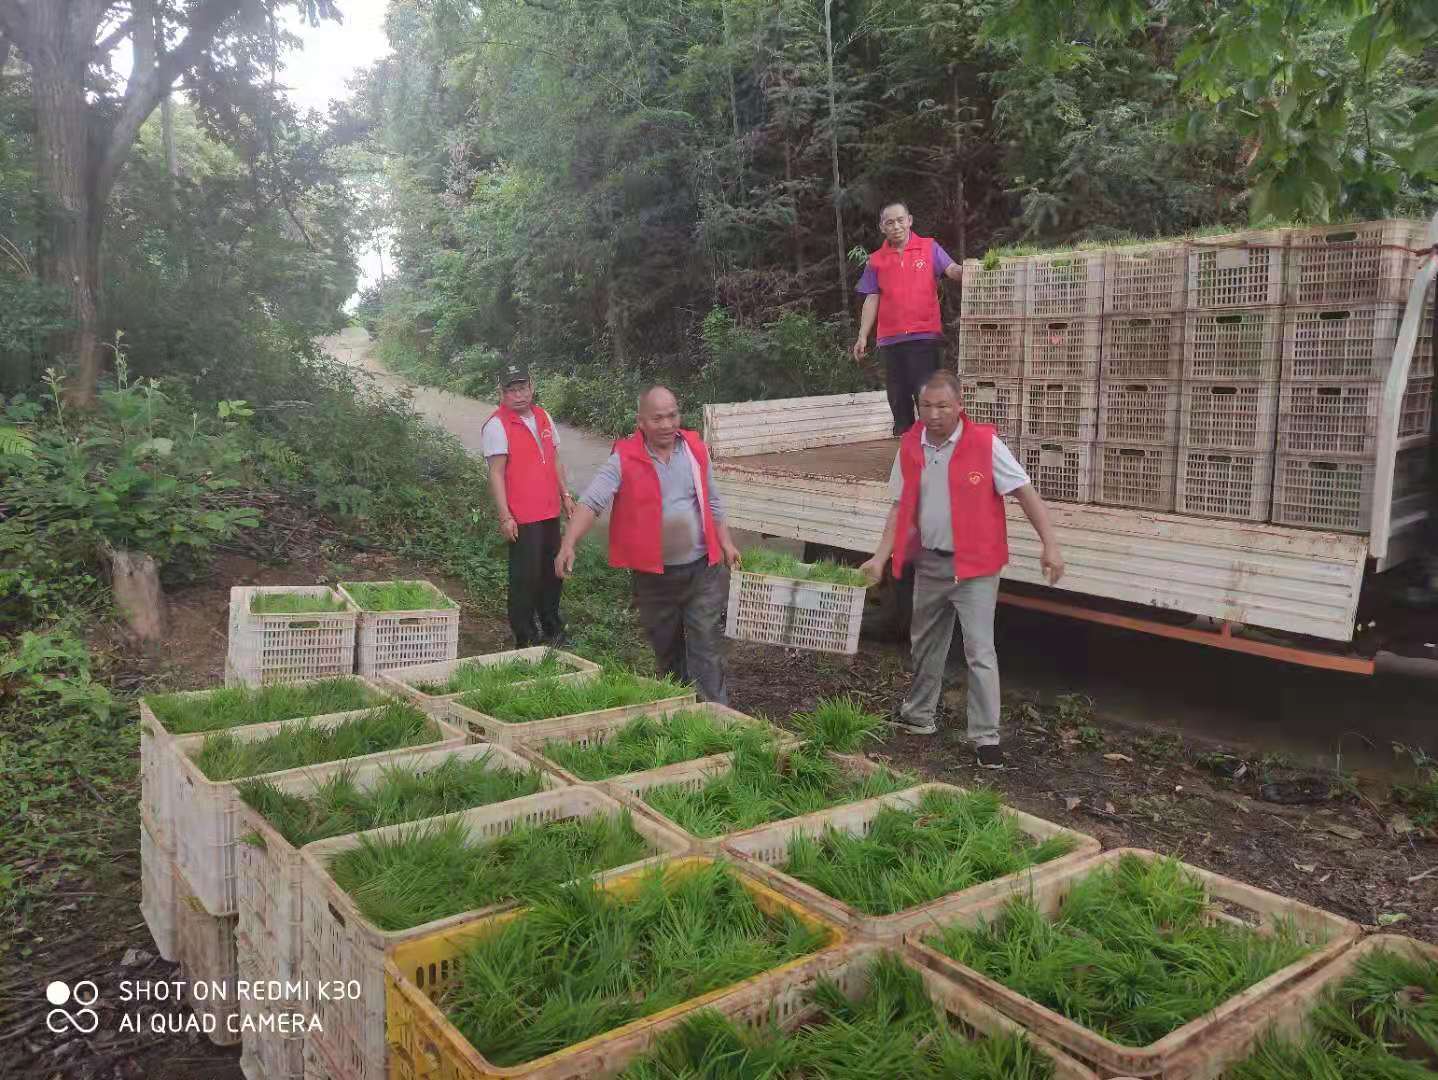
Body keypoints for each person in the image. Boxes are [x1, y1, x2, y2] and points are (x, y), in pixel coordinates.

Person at [859, 371, 1065, 769]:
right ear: (918, 408)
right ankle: (919, 716)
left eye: (943, 406)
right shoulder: (910, 446)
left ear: (959, 408)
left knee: (979, 652)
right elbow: (900, 507)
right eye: (926, 406)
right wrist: (880, 556)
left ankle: (986, 738)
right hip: (931, 562)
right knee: (924, 642)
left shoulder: (985, 445)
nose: (934, 414)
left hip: (976, 566)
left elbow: (1024, 492)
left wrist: (1050, 545)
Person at [556, 386, 742, 703]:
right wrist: (568, 543)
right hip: (655, 580)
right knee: (667, 652)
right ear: (641, 421)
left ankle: (718, 717)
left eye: (673, 415)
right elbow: (592, 502)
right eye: (658, 418)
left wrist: (726, 542)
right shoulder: (624, 458)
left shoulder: (695, 449)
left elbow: (712, 500)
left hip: (702, 571)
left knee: (706, 649)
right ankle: (681, 710)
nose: (668, 424)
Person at [851, 201, 964, 435]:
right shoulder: (876, 260)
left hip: (924, 337)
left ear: (910, 220)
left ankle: (934, 447)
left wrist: (973, 271)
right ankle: (905, 446)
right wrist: (862, 336)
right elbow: (872, 298)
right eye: (889, 222)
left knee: (928, 394)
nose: (896, 226)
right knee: (898, 396)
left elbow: (952, 269)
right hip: (891, 341)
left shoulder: (929, 247)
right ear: (882, 227)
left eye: (900, 220)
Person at [481, 363, 574, 647]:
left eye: (523, 388)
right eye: (512, 390)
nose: (519, 395)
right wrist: (505, 516)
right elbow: (496, 473)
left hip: (549, 510)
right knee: (526, 576)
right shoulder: (497, 424)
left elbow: (555, 459)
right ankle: (524, 635)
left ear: (532, 387)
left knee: (552, 573)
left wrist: (566, 495)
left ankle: (552, 626)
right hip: (523, 514)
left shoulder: (543, 417)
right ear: (502, 393)